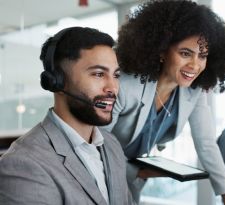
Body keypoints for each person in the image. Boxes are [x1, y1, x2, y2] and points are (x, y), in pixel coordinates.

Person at [104, 0, 225, 204]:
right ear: (161, 51)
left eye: (202, 56)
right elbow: (96, 144)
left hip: (131, 180)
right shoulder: (125, 86)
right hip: (99, 172)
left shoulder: (194, 91)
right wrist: (137, 171)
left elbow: (207, 144)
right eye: (185, 53)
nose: (194, 65)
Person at [0, 27, 135, 205]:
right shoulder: (22, 164)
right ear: (58, 82)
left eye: (116, 75)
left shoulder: (111, 145)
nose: (113, 87)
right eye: (98, 74)